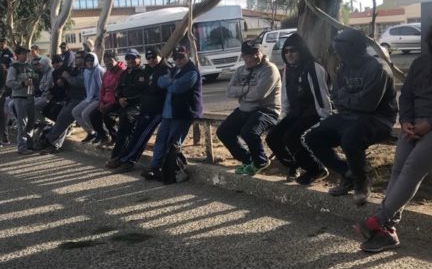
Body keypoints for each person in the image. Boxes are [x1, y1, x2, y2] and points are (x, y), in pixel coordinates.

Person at [354, 16, 432, 252]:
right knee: (399, 169)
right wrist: (405, 122)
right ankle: (388, 231)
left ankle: (377, 220)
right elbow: (408, 96)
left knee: (413, 166)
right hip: (415, 126)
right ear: (430, 40)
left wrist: (429, 125)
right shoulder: (421, 64)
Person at [303, 29, 397, 205]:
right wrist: (352, 98)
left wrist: (346, 97)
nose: (338, 53)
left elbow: (368, 105)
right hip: (348, 116)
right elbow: (335, 97)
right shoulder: (344, 67)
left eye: (341, 50)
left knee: (350, 139)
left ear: (354, 48)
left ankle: (362, 182)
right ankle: (347, 173)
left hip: (378, 119)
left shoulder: (377, 68)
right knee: (312, 137)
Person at [265, 33, 331, 182]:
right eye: (286, 51)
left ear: (301, 51)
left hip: (314, 113)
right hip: (296, 113)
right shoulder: (288, 69)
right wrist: (284, 117)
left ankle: (315, 169)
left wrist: (325, 119)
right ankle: (295, 165)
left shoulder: (313, 67)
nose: (289, 54)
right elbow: (285, 94)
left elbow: (321, 95)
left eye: (293, 50)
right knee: (272, 137)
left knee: (291, 137)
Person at [217, 40, 281, 176]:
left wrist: (241, 94)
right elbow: (229, 91)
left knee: (248, 132)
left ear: (260, 52)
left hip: (266, 109)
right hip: (245, 109)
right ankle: (247, 159)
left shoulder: (269, 69)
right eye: (248, 54)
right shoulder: (240, 70)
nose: (252, 57)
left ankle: (261, 161)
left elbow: (258, 94)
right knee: (223, 131)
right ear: (243, 56)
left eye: (255, 52)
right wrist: (246, 89)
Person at [142, 46, 203, 184]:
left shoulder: (192, 71)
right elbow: (160, 82)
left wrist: (170, 82)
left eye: (181, 57)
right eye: (175, 58)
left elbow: (177, 88)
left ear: (187, 56)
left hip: (183, 113)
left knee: (173, 144)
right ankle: (154, 168)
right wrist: (172, 82)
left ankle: (176, 173)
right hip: (168, 113)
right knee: (161, 141)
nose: (178, 60)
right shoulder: (175, 70)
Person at [106, 47, 169, 172]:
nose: (151, 60)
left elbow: (153, 90)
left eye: (153, 57)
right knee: (137, 134)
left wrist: (131, 100)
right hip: (146, 106)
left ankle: (128, 160)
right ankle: (123, 158)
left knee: (141, 134)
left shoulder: (165, 69)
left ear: (160, 57)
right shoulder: (148, 70)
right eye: (149, 58)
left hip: (157, 108)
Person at [39, 51, 86, 154]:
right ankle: (53, 143)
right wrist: (62, 82)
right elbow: (68, 84)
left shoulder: (85, 70)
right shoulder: (75, 70)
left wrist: (67, 77)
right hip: (71, 98)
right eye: (76, 57)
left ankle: (50, 140)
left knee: (63, 118)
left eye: (79, 57)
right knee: (61, 118)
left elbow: (79, 83)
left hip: (81, 99)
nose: (77, 59)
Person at [105, 48, 145, 153]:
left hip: (136, 105)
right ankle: (116, 138)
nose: (130, 60)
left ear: (139, 59)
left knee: (125, 119)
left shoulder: (143, 73)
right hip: (123, 103)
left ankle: (119, 153)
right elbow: (117, 90)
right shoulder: (124, 74)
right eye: (128, 58)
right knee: (107, 113)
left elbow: (143, 93)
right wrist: (119, 99)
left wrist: (127, 100)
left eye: (133, 58)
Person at [88, 50, 125, 146]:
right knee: (93, 115)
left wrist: (108, 104)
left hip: (116, 101)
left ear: (116, 60)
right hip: (105, 101)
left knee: (107, 115)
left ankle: (116, 137)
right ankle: (105, 136)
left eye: (110, 60)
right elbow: (102, 89)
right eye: (106, 61)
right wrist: (101, 102)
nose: (108, 63)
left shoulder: (121, 73)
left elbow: (117, 92)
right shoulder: (107, 73)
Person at [7, 45, 38, 154]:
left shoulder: (30, 66)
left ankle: (29, 144)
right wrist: (22, 83)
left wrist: (36, 77)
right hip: (20, 98)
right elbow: (9, 83)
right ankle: (22, 147)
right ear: (17, 55)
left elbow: (35, 77)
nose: (26, 55)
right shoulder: (13, 68)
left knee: (31, 122)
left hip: (30, 97)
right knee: (22, 123)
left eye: (27, 53)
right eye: (24, 53)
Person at [72, 52, 104, 142]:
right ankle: (91, 133)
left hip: (98, 98)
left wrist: (101, 101)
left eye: (91, 60)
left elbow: (102, 87)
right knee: (75, 112)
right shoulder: (86, 71)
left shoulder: (98, 70)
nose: (89, 62)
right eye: (87, 60)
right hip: (89, 98)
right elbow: (87, 86)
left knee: (85, 114)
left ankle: (100, 133)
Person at [34, 56, 54, 125]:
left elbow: (48, 86)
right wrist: (43, 86)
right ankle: (40, 122)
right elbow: (41, 86)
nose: (40, 67)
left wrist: (43, 86)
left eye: (41, 65)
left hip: (49, 97)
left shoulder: (52, 72)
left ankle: (47, 122)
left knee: (34, 106)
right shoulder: (45, 73)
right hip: (43, 95)